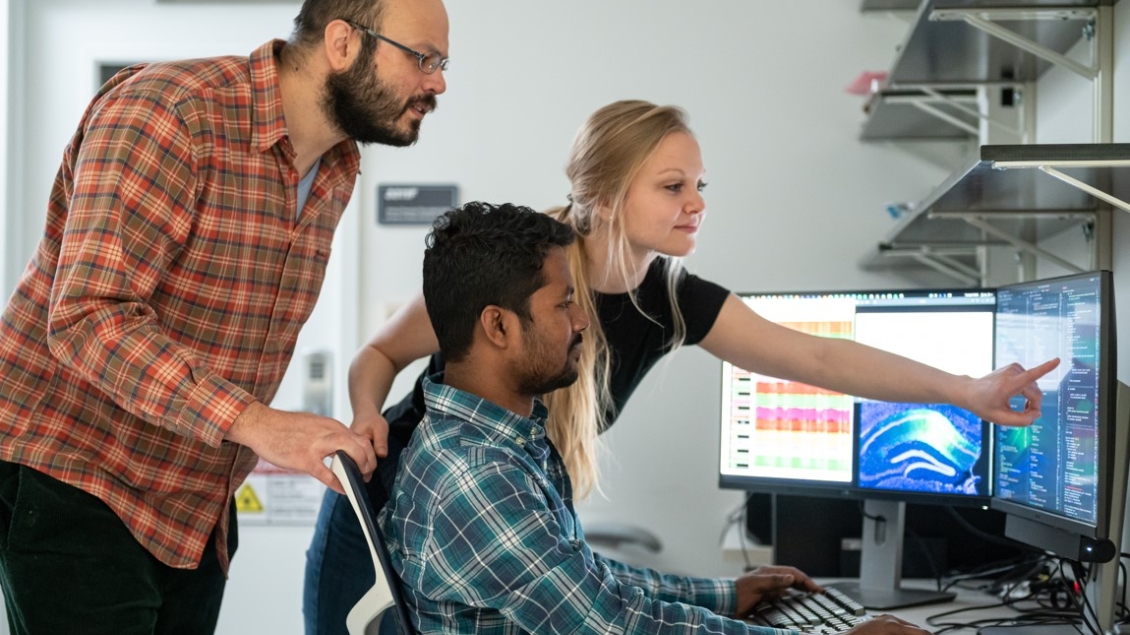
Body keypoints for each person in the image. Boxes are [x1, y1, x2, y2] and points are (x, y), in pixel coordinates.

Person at [304, 100, 1059, 633]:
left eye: (701, 185)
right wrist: (365, 419)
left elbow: (815, 354)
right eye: (673, 186)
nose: (696, 202)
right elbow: (379, 354)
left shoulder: (664, 299)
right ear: (603, 193)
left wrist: (966, 391)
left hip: (482, 527)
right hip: (387, 514)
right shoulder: (514, 272)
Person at [0, 0, 448, 632]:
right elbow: (87, 318)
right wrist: (261, 425)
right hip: (79, 477)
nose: (438, 82)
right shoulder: (169, 112)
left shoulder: (338, 167)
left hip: (196, 504)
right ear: (343, 43)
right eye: (423, 58)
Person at [378, 200, 933, 635]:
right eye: (563, 303)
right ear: (498, 328)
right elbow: (613, 625)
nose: (583, 321)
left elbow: (585, 586)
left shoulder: (495, 443)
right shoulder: (477, 475)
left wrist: (724, 594)